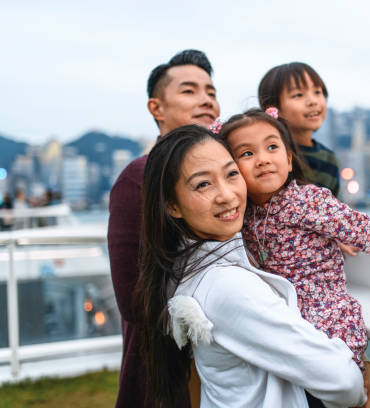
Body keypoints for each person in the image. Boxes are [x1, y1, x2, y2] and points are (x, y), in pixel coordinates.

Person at [219, 108, 370, 403]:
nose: (262, 159)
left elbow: (365, 229)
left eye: (272, 147)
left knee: (341, 386)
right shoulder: (240, 215)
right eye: (246, 154)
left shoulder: (308, 200)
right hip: (281, 315)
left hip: (324, 310)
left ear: (288, 161)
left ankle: (361, 375)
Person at [136, 124, 368, 408]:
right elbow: (344, 382)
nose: (227, 195)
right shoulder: (226, 286)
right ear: (172, 205)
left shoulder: (184, 268)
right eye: (203, 184)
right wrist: (358, 379)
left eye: (232, 174)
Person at [108, 49, 219, 408]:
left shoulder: (227, 175)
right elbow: (133, 299)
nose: (206, 100)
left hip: (226, 368)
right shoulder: (139, 178)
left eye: (211, 92)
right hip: (165, 374)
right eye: (189, 91)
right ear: (156, 108)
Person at [258, 62, 340, 197]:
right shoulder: (270, 156)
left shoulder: (329, 159)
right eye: (298, 95)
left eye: (317, 92)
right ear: (272, 107)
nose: (313, 101)